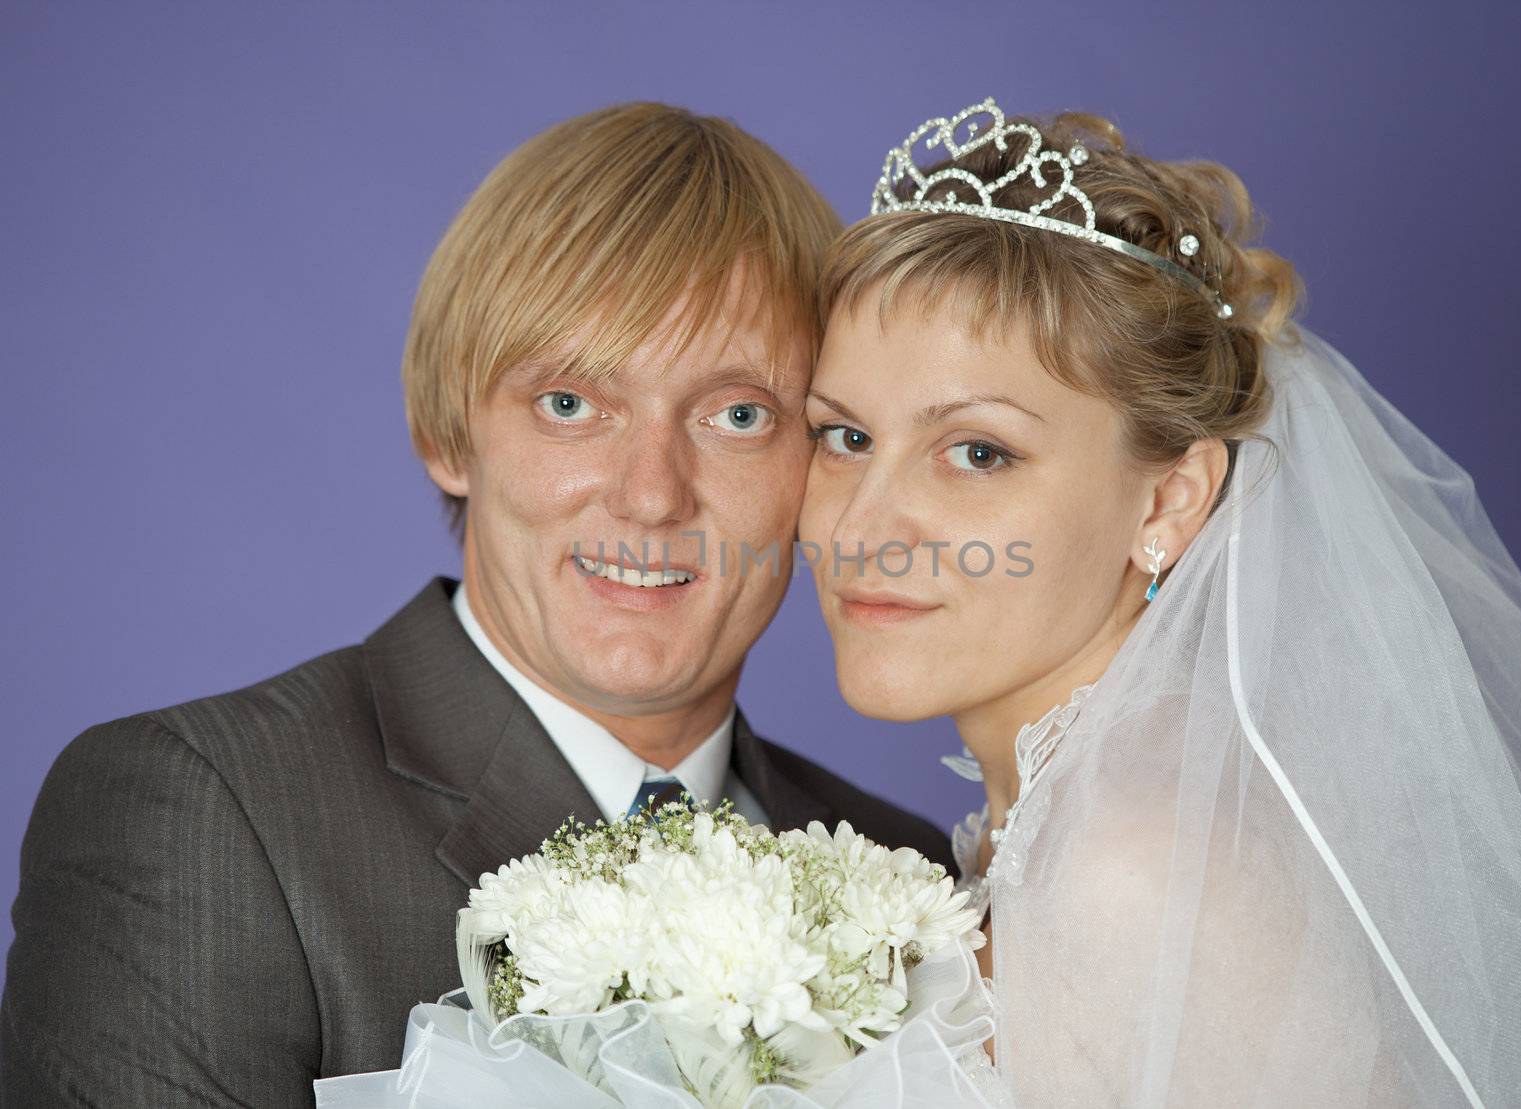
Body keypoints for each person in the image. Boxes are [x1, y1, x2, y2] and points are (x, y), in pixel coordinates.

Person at [1, 102, 951, 1106]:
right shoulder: (209, 816)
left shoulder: (912, 878)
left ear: (821, 460)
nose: (651, 492)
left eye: (739, 414)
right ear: (445, 433)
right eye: (571, 404)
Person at [799, 98, 1521, 1105]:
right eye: (842, 436)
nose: (864, 524)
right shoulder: (1050, 823)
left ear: (1169, 499)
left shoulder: (1138, 865)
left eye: (977, 451)